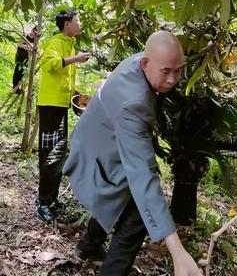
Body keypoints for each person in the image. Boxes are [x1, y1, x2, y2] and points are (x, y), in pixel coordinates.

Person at [63, 31, 203, 276]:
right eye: (166, 71)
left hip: (102, 140)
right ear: (146, 64)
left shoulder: (140, 62)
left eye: (178, 70)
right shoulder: (134, 103)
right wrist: (178, 253)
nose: (173, 80)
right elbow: (144, 179)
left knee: (122, 194)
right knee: (138, 212)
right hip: (96, 154)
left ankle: (88, 247)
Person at [35, 10, 91, 224]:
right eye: (77, 21)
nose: (80, 24)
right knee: (50, 155)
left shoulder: (69, 43)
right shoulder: (55, 42)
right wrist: (76, 59)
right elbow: (49, 64)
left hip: (59, 106)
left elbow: (60, 76)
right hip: (50, 106)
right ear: (66, 25)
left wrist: (74, 92)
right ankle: (42, 204)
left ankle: (51, 199)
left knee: (58, 153)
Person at [12, 26, 38, 93]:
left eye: (35, 34)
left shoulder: (35, 39)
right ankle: (15, 87)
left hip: (27, 59)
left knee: (23, 74)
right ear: (32, 30)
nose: (33, 34)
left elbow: (36, 49)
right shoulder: (24, 35)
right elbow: (18, 44)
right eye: (33, 32)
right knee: (17, 72)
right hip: (20, 57)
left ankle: (19, 88)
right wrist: (26, 47)